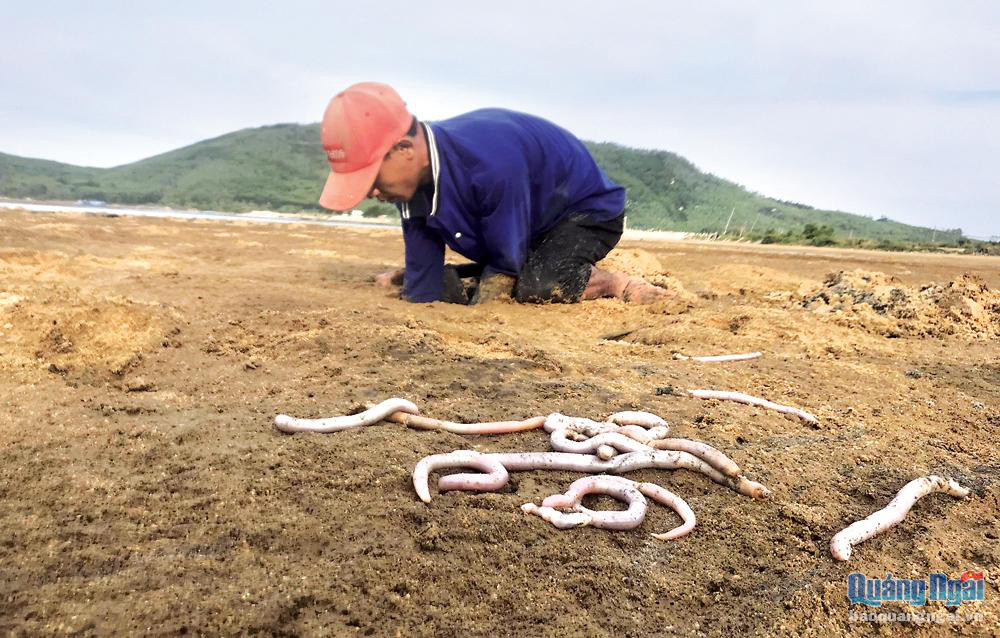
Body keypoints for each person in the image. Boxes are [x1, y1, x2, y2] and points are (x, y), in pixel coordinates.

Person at [318, 81, 669, 305]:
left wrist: (490, 292)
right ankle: (523, 263)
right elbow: (424, 279)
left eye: (371, 179)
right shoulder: (408, 187)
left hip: (585, 213)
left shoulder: (489, 163)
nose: (371, 193)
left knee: (538, 287)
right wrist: (421, 284)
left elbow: (503, 267)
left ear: (404, 149)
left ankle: (610, 283)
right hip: (524, 221)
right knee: (433, 285)